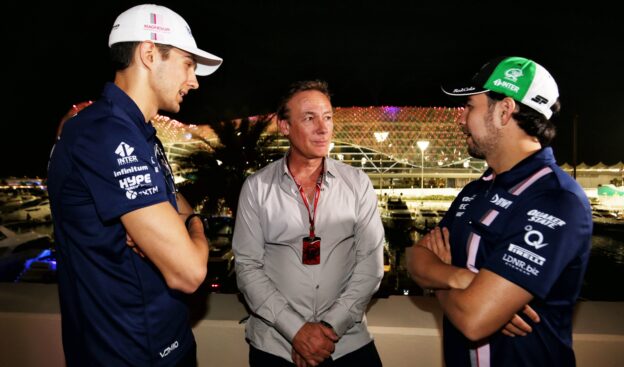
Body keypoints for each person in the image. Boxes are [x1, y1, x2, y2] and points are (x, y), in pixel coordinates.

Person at [47, 4, 221, 366]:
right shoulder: (105, 133)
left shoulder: (139, 134)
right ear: (149, 53)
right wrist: (194, 225)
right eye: (188, 64)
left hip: (165, 342)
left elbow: (173, 199)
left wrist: (176, 221)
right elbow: (189, 272)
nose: (194, 80)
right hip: (127, 354)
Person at [408, 56, 593, 366]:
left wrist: (439, 282)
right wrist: (464, 281)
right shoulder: (475, 191)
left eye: (469, 106)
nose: (461, 119)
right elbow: (414, 258)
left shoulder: (557, 200)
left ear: (505, 110)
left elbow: (474, 319)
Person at [232, 80, 385, 367]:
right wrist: (296, 331)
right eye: (309, 118)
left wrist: (327, 330)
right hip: (276, 344)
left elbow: (371, 265)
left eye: (327, 117)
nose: (322, 128)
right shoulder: (257, 188)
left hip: (346, 341)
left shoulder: (357, 184)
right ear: (284, 126)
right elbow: (247, 268)